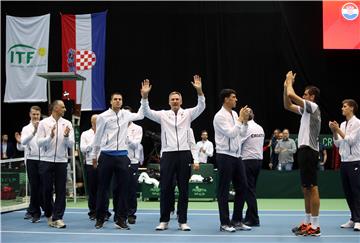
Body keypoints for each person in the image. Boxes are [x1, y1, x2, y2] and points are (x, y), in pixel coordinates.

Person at [140, 75, 204, 231]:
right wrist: (145, 96)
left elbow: (201, 107)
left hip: (184, 154)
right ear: (169, 102)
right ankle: (164, 220)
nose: (175, 101)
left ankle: (183, 221)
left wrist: (199, 91)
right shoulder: (163, 115)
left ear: (181, 101)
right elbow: (146, 112)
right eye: (172, 99)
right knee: (165, 188)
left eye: (177, 99)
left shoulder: (188, 114)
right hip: (168, 155)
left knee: (184, 189)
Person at [92, 92, 144, 230]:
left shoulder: (126, 114)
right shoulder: (103, 117)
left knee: (123, 190)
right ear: (110, 101)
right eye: (115, 99)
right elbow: (97, 137)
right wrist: (94, 156)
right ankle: (100, 218)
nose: (118, 101)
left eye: (120, 99)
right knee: (103, 189)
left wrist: (144, 97)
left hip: (122, 157)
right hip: (106, 155)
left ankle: (121, 220)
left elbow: (141, 115)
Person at [283, 71, 321, 236]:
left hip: (310, 151)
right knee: (305, 188)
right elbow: (287, 104)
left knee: (312, 188)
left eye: (305, 94)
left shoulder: (313, 107)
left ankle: (316, 226)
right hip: (303, 151)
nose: (303, 96)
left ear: (311, 97)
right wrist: (285, 86)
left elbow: (292, 95)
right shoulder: (305, 111)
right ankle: (307, 222)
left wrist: (289, 82)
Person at [213, 88, 251, 232]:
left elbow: (241, 134)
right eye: (233, 97)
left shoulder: (235, 114)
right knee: (223, 190)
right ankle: (224, 223)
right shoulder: (219, 116)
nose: (236, 100)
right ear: (226, 99)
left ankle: (237, 220)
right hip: (224, 156)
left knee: (243, 187)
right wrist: (241, 120)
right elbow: (230, 133)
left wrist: (245, 121)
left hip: (237, 156)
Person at [37, 100, 75, 229]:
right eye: (63, 107)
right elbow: (39, 143)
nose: (65, 109)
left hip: (61, 161)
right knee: (46, 190)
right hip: (46, 161)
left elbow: (71, 144)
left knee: (61, 191)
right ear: (56, 108)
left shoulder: (67, 123)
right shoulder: (43, 123)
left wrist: (65, 137)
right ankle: (49, 214)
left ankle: (58, 217)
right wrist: (50, 136)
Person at [329, 99, 360, 231]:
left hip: (355, 161)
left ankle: (359, 220)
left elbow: (351, 141)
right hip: (344, 162)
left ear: (352, 108)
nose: (342, 108)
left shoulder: (358, 123)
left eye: (345, 106)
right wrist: (334, 131)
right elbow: (338, 143)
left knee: (356, 192)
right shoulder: (342, 124)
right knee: (347, 192)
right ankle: (353, 218)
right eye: (342, 106)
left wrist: (338, 130)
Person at [80, 115, 112, 221]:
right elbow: (82, 148)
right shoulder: (85, 134)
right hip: (90, 164)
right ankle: (93, 212)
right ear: (91, 122)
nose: (98, 123)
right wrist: (93, 144)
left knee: (104, 189)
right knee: (92, 189)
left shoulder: (105, 133)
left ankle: (105, 212)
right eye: (95, 121)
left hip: (104, 163)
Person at [15, 106, 43, 223]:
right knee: (34, 187)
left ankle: (38, 209)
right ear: (30, 115)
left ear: (40, 115)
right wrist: (19, 142)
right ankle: (34, 211)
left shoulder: (44, 126)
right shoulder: (26, 128)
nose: (36, 116)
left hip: (44, 160)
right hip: (31, 160)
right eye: (33, 114)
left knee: (45, 187)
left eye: (37, 114)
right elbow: (22, 146)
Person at [238, 108, 265, 227]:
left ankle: (254, 219)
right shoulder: (260, 128)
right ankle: (249, 216)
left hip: (247, 161)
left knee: (249, 191)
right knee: (251, 190)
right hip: (258, 161)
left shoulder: (247, 128)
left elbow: (237, 143)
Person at [124, 105, 144, 225]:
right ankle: (120, 212)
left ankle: (131, 214)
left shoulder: (137, 128)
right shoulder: (117, 127)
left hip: (132, 161)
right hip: (119, 161)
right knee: (119, 189)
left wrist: (127, 138)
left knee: (131, 189)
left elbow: (136, 145)